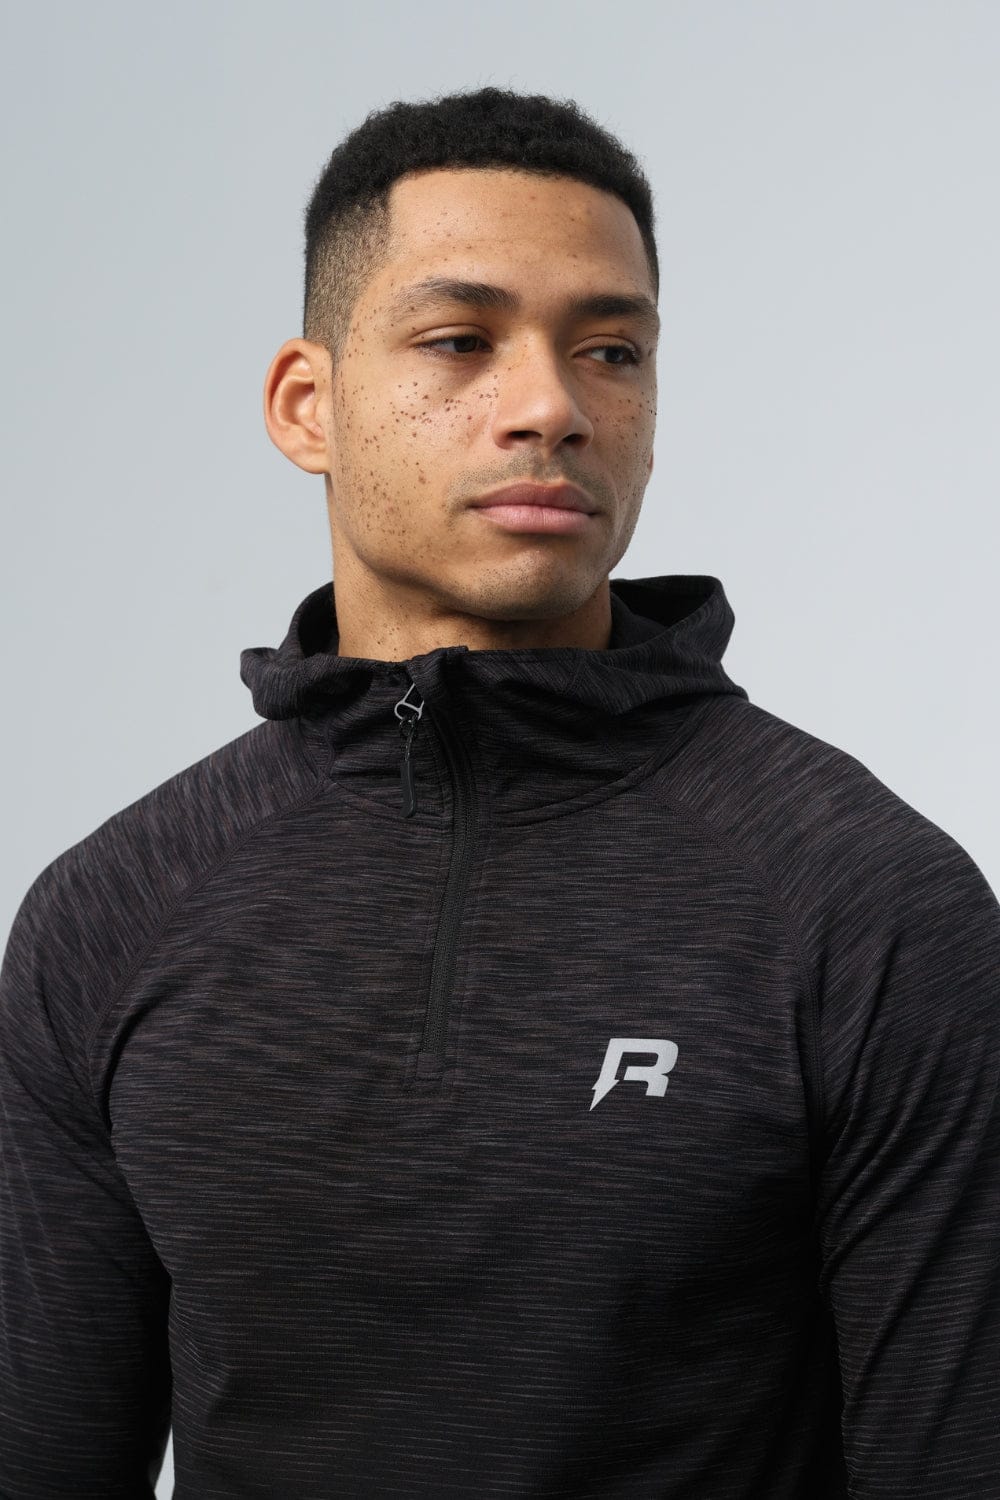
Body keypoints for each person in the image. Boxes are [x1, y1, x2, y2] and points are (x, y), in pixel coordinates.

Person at [1, 85, 997, 1500]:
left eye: (611, 352)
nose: (551, 408)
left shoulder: (869, 903)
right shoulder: (110, 915)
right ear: (307, 405)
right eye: (460, 341)